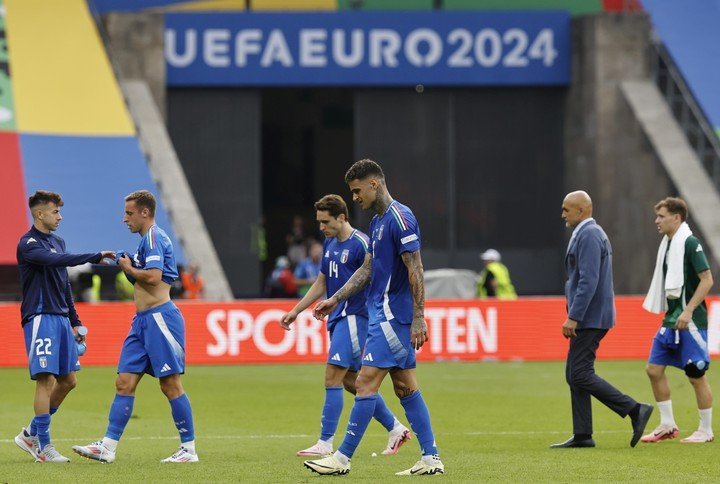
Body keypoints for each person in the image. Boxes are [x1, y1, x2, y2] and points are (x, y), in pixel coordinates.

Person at [304, 159, 444, 476]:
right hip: (381, 313)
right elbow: (367, 269)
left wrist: (419, 316)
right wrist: (335, 299)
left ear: (374, 184)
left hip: (394, 316)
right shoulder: (378, 223)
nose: (355, 198)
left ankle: (341, 459)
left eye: (357, 191)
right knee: (405, 387)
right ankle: (431, 458)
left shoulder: (400, 218)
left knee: (365, 381)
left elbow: (416, 268)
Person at [280, 194, 411, 458]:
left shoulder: (362, 243)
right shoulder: (329, 242)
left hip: (356, 317)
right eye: (319, 222)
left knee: (333, 376)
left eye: (325, 221)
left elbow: (378, 276)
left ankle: (325, 442)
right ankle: (396, 428)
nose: (321, 227)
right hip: (338, 317)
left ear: (341, 217)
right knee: (354, 382)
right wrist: (296, 310)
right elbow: (321, 281)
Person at [72, 190, 198, 463]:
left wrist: (128, 268)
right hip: (141, 322)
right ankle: (107, 446)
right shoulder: (146, 242)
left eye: (129, 213)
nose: (124, 219)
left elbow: (153, 278)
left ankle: (188, 450)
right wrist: (127, 262)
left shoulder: (154, 236)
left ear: (144, 212)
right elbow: (144, 278)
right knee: (124, 382)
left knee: (170, 385)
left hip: (160, 319)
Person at [14, 190, 114, 463]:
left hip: (59, 318)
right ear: (39, 213)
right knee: (46, 379)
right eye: (55, 211)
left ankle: (30, 433)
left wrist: (75, 321)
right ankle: (43, 448)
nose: (60, 216)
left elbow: (63, 284)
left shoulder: (58, 240)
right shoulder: (28, 243)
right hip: (40, 316)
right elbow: (56, 261)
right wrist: (93, 255)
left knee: (68, 380)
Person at [552, 190, 653, 449]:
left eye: (566, 209)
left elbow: (588, 280)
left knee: (580, 373)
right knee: (574, 374)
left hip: (589, 317)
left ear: (581, 210)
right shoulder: (589, 233)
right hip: (592, 315)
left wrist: (573, 316)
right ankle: (583, 434)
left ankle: (634, 409)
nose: (562, 214)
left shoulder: (588, 235)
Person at [640, 197, 714, 444]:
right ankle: (667, 425)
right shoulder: (668, 244)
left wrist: (689, 310)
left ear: (676, 217)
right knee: (653, 369)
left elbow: (707, 279)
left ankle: (705, 430)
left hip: (690, 320)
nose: (656, 221)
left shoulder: (690, 243)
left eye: (661, 216)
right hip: (670, 319)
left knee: (695, 375)